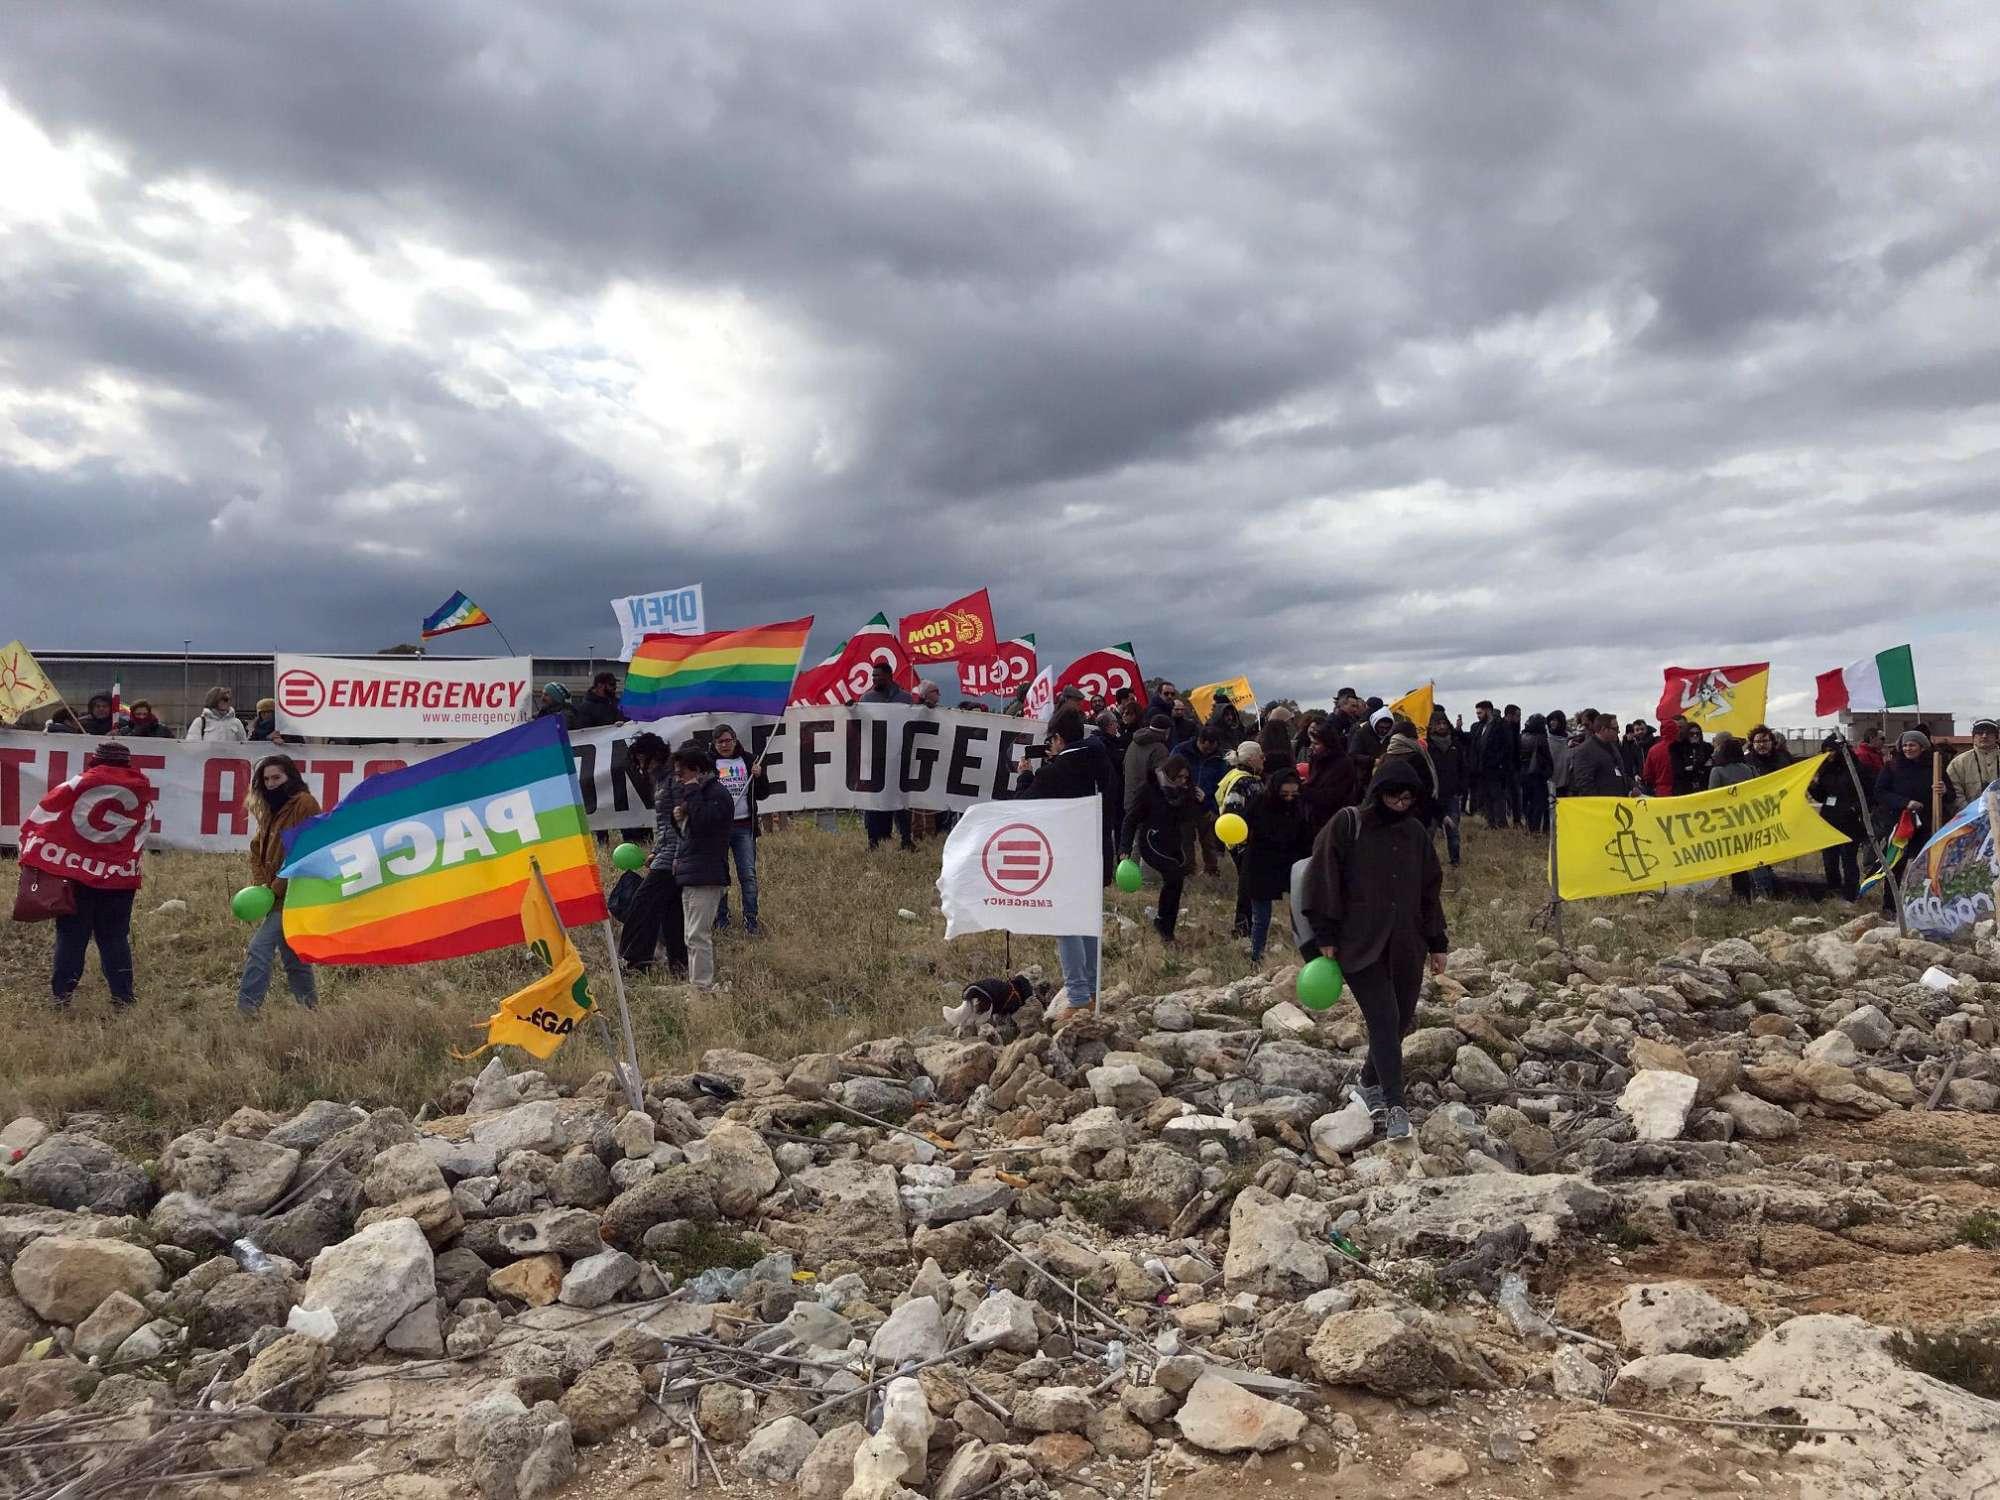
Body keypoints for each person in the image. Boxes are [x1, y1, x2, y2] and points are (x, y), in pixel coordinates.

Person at [1300, 758, 1447, 1143]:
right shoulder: (1349, 825)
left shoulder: (1416, 834)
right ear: (1378, 791)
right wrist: (1325, 934)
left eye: (1408, 797)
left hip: (1406, 943)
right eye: (1395, 795)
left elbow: (1429, 891)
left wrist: (1437, 942)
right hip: (1358, 944)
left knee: (1399, 1022)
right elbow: (1321, 878)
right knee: (1383, 1018)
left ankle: (1367, 1084)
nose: (1401, 802)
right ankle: (1396, 1106)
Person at [24, 742, 156, 1010]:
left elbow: (47, 813)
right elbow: (141, 832)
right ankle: (123, 998)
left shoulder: (80, 783)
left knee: (72, 936)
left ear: (95, 760)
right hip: (120, 878)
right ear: (127, 763)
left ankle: (62, 998)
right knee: (114, 937)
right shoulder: (142, 788)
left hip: (77, 877)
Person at [1019, 708, 1103, 1014]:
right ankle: (1093, 992)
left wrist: (1026, 776)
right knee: (1088, 922)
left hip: (1065, 853)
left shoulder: (1056, 770)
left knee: (1067, 924)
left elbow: (1025, 807)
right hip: (1094, 849)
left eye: (1050, 741)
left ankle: (1078, 998)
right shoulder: (1100, 759)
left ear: (1057, 739)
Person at [238, 755, 321, 1015]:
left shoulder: (303, 803)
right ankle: (310, 1010)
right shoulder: (268, 806)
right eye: (266, 779)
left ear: (290, 777)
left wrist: (276, 888)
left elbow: (305, 849)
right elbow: (256, 848)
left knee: (258, 949)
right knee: (293, 957)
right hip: (273, 892)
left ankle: (246, 1012)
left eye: (277, 777)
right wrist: (262, 884)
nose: (271, 783)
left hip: (296, 891)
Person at [617, 734, 688, 979]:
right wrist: (656, 851)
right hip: (667, 852)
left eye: (642, 758)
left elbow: (683, 820)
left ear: (655, 754)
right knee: (671, 911)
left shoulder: (673, 779)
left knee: (642, 905)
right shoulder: (659, 779)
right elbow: (662, 824)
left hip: (675, 856)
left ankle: (635, 961)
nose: (640, 765)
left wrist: (675, 854)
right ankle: (679, 963)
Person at [669, 744, 735, 990]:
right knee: (691, 935)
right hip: (691, 871)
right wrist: (677, 817)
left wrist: (693, 792)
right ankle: (697, 983)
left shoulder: (717, 794)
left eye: (682, 773)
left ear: (696, 771)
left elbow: (706, 824)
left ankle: (702, 988)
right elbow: (689, 833)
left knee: (698, 935)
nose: (678, 779)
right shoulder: (696, 795)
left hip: (706, 873)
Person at [1121, 753, 1198, 945]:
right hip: (1151, 841)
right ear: (1169, 773)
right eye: (1179, 777)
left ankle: (1166, 925)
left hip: (1173, 842)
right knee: (1173, 876)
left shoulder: (1185, 793)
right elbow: (1130, 820)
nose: (1182, 781)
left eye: (1185, 778)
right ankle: (1164, 927)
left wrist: (1198, 800)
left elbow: (1188, 818)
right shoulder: (1149, 789)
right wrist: (1124, 849)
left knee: (1176, 883)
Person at [1874, 730, 1954, 912]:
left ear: (1922, 747)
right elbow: (1880, 792)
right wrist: (1905, 803)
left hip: (1928, 824)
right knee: (1896, 865)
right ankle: (1890, 906)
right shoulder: (1892, 767)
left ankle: (1924, 904)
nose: (1908, 748)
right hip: (1901, 824)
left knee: (1927, 864)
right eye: (1905, 745)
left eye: (1912, 745)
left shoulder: (1935, 766)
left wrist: (1944, 791)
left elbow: (1951, 796)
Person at [1243, 767, 1313, 962]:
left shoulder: (1299, 806)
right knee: (1261, 917)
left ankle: (1305, 955)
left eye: (1294, 793)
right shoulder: (1259, 803)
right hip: (1261, 864)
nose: (1290, 798)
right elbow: (1243, 826)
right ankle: (1256, 958)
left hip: (1290, 864)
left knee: (1301, 913)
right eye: (1285, 794)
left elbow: (1305, 836)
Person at [709, 724, 766, 935]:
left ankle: (751, 921)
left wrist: (759, 776)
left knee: (748, 875)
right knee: (720, 876)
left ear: (735, 740)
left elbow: (763, 793)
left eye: (728, 740)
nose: (725, 745)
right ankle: (721, 919)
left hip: (744, 827)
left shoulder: (750, 759)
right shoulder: (709, 764)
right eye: (720, 742)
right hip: (719, 830)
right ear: (714, 744)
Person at [1706, 736, 1773, 900]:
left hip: (1728, 820)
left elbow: (1712, 797)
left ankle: (1740, 894)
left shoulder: (1718, 771)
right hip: (1748, 818)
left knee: (1736, 859)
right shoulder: (1749, 769)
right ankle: (1761, 891)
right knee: (1752, 855)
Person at [1807, 736, 1868, 901]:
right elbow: (1821, 796)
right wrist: (1812, 785)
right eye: (1826, 751)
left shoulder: (1856, 769)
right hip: (1829, 819)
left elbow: (1866, 793)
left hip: (1850, 821)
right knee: (1829, 859)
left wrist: (1854, 808)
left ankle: (1851, 895)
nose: (1829, 754)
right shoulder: (1825, 769)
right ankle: (1834, 891)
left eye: (1832, 750)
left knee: (1848, 859)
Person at [1173, 724, 1229, 878]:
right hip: (1184, 803)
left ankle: (1212, 870)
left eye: (1211, 747)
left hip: (1207, 804)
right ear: (1199, 740)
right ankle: (1187, 870)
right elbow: (1170, 773)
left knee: (1209, 840)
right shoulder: (1181, 751)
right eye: (1205, 747)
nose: (1208, 750)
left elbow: (1222, 785)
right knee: (1186, 839)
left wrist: (1213, 807)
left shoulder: (1220, 759)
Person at [1301, 716, 1362, 831]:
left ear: (1328, 744)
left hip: (1334, 821)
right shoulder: (1316, 759)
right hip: (1316, 818)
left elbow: (1332, 796)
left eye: (1316, 744)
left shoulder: (1343, 764)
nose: (1312, 747)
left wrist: (1303, 790)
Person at [1426, 711, 1466, 867]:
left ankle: (1455, 861)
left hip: (1452, 795)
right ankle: (1426, 862)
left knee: (1453, 831)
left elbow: (1463, 767)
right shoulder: (1427, 746)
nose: (1442, 726)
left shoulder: (1456, 744)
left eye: (1444, 723)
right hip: (1433, 796)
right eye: (1438, 723)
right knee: (1429, 831)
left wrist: (1462, 787)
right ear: (1432, 726)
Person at [1563, 714, 1632, 797]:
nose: (1618, 732)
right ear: (1604, 729)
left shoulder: (1613, 747)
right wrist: (1600, 803)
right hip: (1602, 805)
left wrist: (1633, 786)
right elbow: (1584, 784)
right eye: (1615, 729)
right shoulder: (1585, 750)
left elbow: (1621, 772)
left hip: (1618, 802)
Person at [1122, 712, 1172, 815]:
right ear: (1167, 731)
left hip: (1129, 799)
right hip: (1146, 806)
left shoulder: (1134, 743)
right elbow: (1163, 779)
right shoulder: (1159, 749)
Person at [1947, 718, 2000, 806]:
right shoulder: (1959, 762)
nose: (1984, 736)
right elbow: (1954, 792)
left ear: (1996, 737)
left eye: (1989, 733)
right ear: (1973, 737)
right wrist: (1968, 812)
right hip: (1971, 816)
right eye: (1979, 733)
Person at [1518, 713, 1554, 834]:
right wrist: (1549, 772)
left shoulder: (1522, 736)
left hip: (1523, 774)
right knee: (1539, 803)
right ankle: (1536, 828)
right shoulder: (1542, 739)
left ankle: (1529, 826)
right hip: (1538, 775)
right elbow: (1548, 758)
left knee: (1527, 802)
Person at [45, 692, 119, 736]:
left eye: (104, 706)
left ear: (111, 708)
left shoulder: (118, 724)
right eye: (97, 706)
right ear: (92, 708)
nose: (101, 709)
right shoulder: (81, 724)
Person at [1641, 720, 1681, 799]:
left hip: (1662, 792)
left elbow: (1647, 775)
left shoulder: (1653, 750)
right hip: (1681, 791)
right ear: (1676, 731)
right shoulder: (1681, 747)